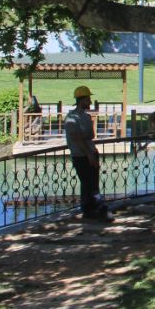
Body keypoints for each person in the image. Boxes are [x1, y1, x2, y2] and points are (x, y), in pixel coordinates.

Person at [64, 85, 108, 221]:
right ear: (81, 100)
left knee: (92, 183)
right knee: (89, 184)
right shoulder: (71, 118)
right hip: (81, 155)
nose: (90, 102)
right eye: (88, 99)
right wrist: (89, 154)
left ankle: (91, 210)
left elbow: (91, 135)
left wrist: (90, 150)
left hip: (91, 152)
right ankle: (96, 209)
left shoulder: (86, 117)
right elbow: (77, 138)